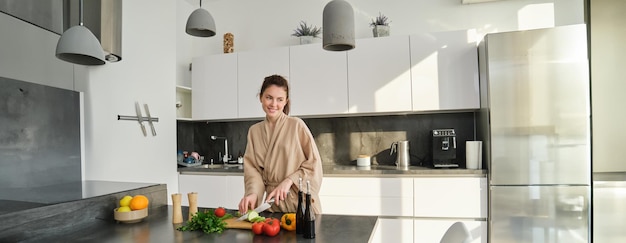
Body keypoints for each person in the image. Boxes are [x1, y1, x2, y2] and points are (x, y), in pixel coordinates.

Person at [238, 74, 323, 214]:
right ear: (261, 97)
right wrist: (253, 193)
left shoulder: (296, 125)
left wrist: (289, 181)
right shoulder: (254, 131)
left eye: (280, 99)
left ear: (285, 102)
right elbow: (253, 171)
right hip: (273, 207)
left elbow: (314, 164)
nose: (273, 104)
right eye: (269, 97)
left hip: (301, 206)